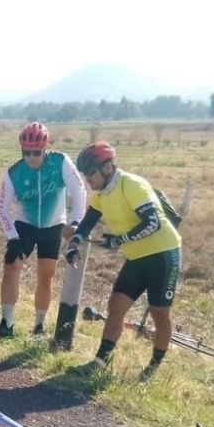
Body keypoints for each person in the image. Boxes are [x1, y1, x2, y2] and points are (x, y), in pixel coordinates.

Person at [65, 141, 183, 379]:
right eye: (84, 173)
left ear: (107, 167)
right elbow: (88, 221)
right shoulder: (103, 193)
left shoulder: (132, 185)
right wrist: (74, 243)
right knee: (116, 305)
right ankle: (99, 362)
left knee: (159, 313)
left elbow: (153, 222)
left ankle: (153, 368)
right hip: (137, 256)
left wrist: (119, 240)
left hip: (163, 254)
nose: (88, 179)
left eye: (90, 172)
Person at [0, 121, 87, 336]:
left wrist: (75, 223)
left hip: (53, 227)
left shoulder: (60, 162)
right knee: (11, 269)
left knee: (45, 276)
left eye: (37, 152)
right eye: (26, 152)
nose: (31, 157)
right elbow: (0, 207)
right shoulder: (13, 172)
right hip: (24, 226)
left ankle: (38, 325)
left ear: (45, 148)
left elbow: (79, 191)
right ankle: (7, 323)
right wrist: (12, 236)